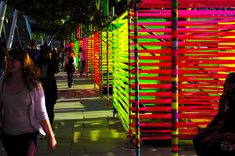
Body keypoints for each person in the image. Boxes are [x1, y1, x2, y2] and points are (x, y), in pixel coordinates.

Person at [0, 48, 56, 156]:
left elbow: (42, 113)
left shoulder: (34, 86)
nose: (9, 63)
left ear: (22, 63)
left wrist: (51, 136)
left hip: (28, 135)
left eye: (13, 61)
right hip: (8, 134)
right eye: (8, 60)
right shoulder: (3, 81)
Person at [193, 72, 235, 156]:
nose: (225, 85)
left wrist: (217, 133)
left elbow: (229, 123)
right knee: (198, 139)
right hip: (223, 128)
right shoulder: (223, 98)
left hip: (228, 130)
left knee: (209, 144)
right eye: (226, 82)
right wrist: (207, 128)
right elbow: (219, 116)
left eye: (228, 83)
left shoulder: (232, 101)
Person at [38, 45, 58, 126]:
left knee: (49, 108)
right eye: (43, 53)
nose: (44, 55)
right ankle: (45, 124)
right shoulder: (38, 62)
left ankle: (50, 124)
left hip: (50, 87)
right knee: (43, 108)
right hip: (41, 86)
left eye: (46, 53)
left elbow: (56, 70)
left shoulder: (50, 62)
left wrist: (52, 59)